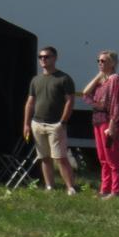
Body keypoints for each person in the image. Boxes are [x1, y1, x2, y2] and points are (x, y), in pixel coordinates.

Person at [22, 46, 77, 195]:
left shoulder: (64, 79)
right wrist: (26, 124)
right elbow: (30, 102)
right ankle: (49, 186)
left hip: (56, 124)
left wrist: (62, 122)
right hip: (37, 123)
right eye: (40, 57)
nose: (43, 59)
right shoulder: (36, 80)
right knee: (44, 158)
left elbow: (70, 101)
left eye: (47, 57)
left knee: (60, 158)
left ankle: (71, 188)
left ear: (55, 58)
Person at [81, 50, 119, 198]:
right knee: (103, 158)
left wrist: (112, 126)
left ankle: (116, 190)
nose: (100, 63)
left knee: (112, 157)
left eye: (104, 61)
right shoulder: (103, 81)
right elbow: (85, 93)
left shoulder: (115, 79)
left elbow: (115, 104)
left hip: (108, 122)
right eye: (98, 61)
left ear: (113, 63)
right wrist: (99, 76)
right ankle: (104, 189)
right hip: (98, 121)